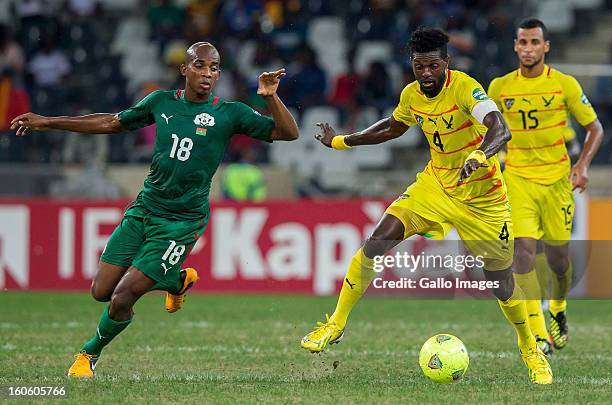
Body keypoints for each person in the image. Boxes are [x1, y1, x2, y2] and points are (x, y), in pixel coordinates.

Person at [11, 42, 299, 377]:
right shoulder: (160, 102)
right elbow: (111, 123)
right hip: (144, 209)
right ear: (185, 69)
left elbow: (288, 133)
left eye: (215, 68)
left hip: (181, 221)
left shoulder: (229, 113)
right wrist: (47, 122)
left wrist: (269, 96)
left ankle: (88, 355)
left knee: (122, 297)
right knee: (100, 291)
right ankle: (175, 281)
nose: (208, 74)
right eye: (200, 66)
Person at [300, 27, 553, 385]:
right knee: (377, 241)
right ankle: (335, 324)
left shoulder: (466, 87)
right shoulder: (412, 94)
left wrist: (481, 153)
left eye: (433, 66)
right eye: (419, 67)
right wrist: (341, 141)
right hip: (434, 187)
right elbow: (392, 127)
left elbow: (500, 128)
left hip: (483, 199)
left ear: (446, 62)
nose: (426, 74)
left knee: (501, 282)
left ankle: (530, 348)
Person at [488, 19, 604, 354]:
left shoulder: (564, 85)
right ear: (515, 46)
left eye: (534, 42)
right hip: (518, 178)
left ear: (546, 47)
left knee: (558, 261)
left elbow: (595, 129)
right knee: (523, 252)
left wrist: (581, 166)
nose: (528, 49)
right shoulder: (499, 87)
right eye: (522, 42)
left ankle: (558, 306)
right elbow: (485, 128)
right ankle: (539, 335)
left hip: (556, 182)